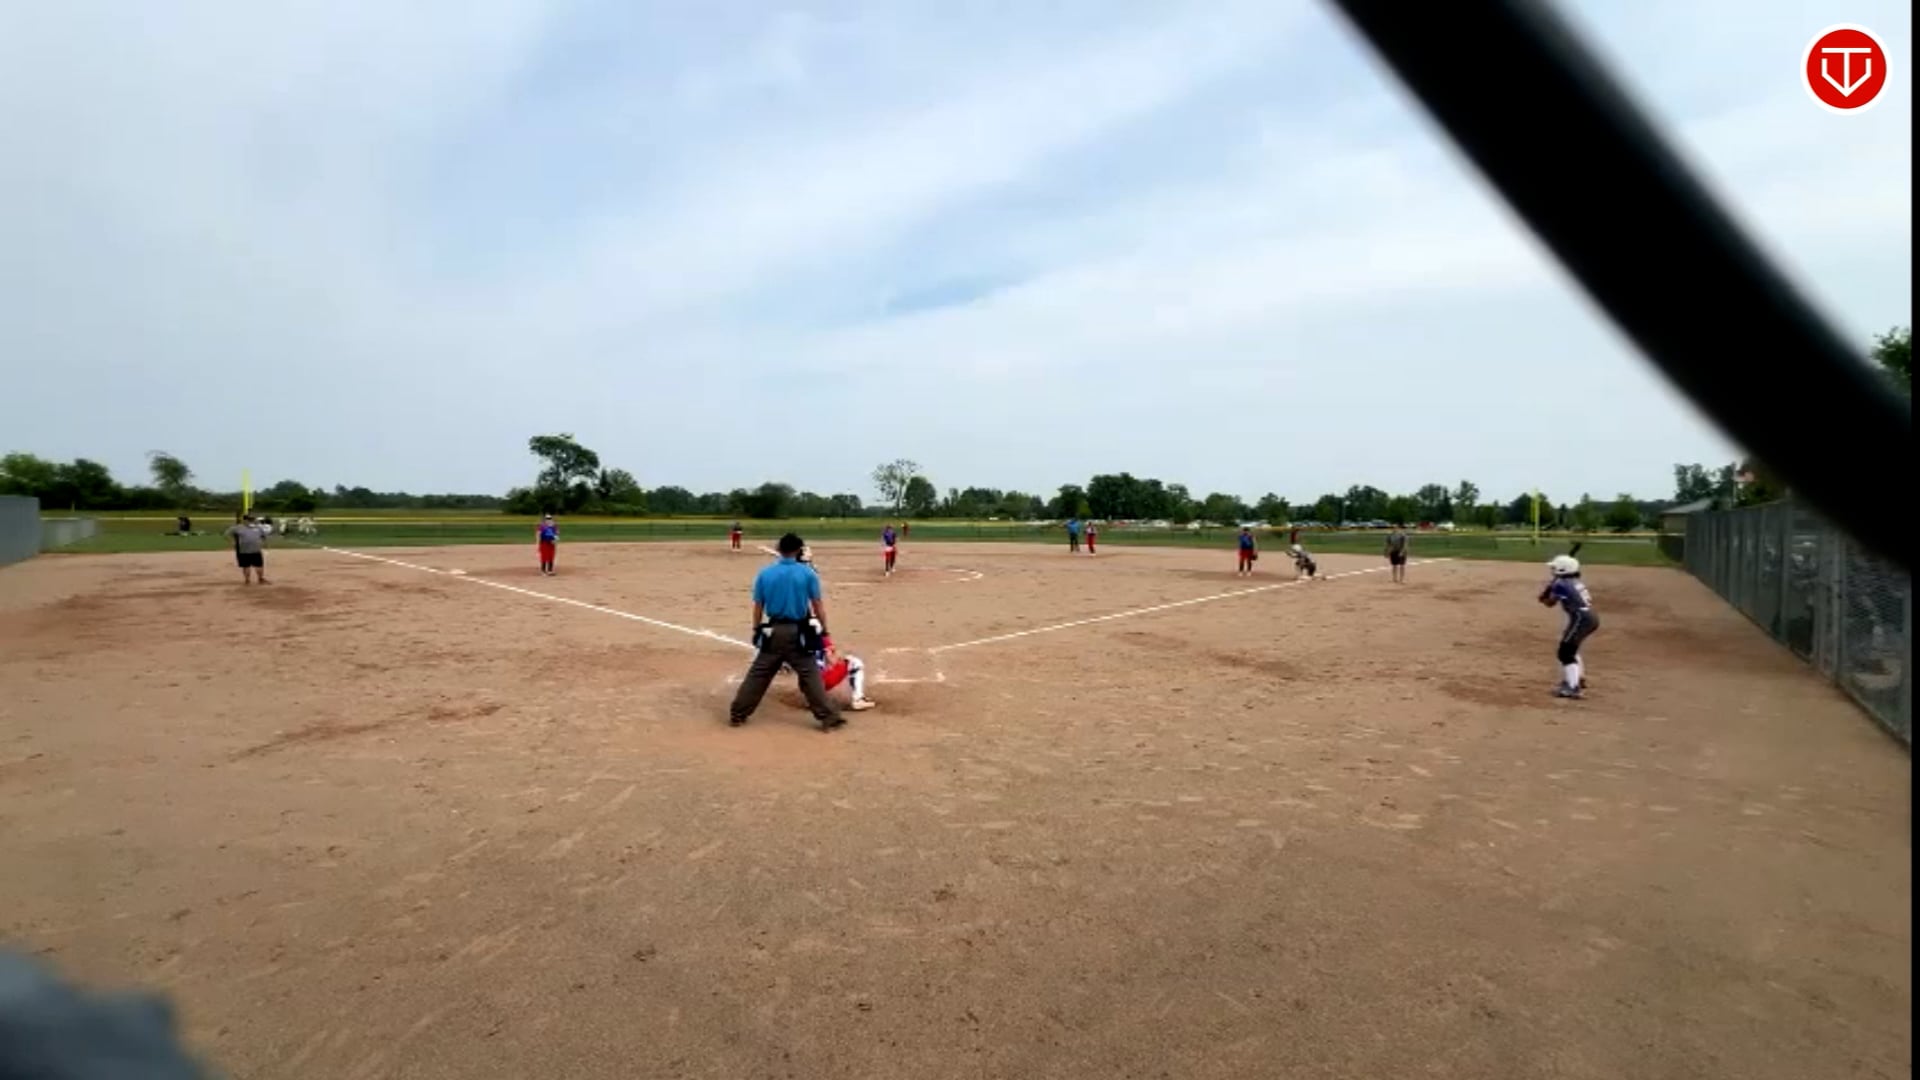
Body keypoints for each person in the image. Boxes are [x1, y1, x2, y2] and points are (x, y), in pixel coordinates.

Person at [730, 533, 843, 731]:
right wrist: (825, 632)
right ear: (798, 550)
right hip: (799, 632)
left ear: (779, 549)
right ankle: (828, 717)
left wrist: (756, 629)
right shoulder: (807, 573)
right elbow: (817, 606)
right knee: (810, 675)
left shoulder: (765, 574)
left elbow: (758, 606)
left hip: (773, 631)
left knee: (758, 674)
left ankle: (738, 713)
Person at [1539, 554, 1599, 699]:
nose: (1552, 570)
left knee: (1565, 652)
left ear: (1562, 569)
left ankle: (1573, 687)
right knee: (1570, 647)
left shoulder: (1560, 584)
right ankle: (1578, 678)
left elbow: (1550, 603)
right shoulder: (1573, 581)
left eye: (1554, 568)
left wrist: (1544, 596)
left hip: (1581, 618)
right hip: (1588, 617)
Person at [224, 514, 269, 585]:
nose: (251, 521)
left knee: (256, 565)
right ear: (245, 520)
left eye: (252, 520)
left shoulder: (257, 528)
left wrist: (263, 543)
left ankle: (257, 579)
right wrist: (232, 542)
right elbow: (226, 534)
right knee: (248, 565)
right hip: (246, 550)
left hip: (252, 550)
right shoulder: (239, 528)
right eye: (249, 520)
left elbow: (264, 537)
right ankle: (249, 580)